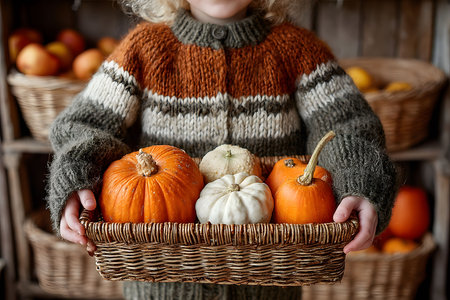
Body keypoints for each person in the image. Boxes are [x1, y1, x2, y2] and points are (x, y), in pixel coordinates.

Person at [46, 0, 397, 299]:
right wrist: (79, 172)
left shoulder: (298, 50)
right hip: (162, 279)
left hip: (268, 279)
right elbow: (83, 125)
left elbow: (349, 125)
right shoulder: (144, 48)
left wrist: (360, 179)